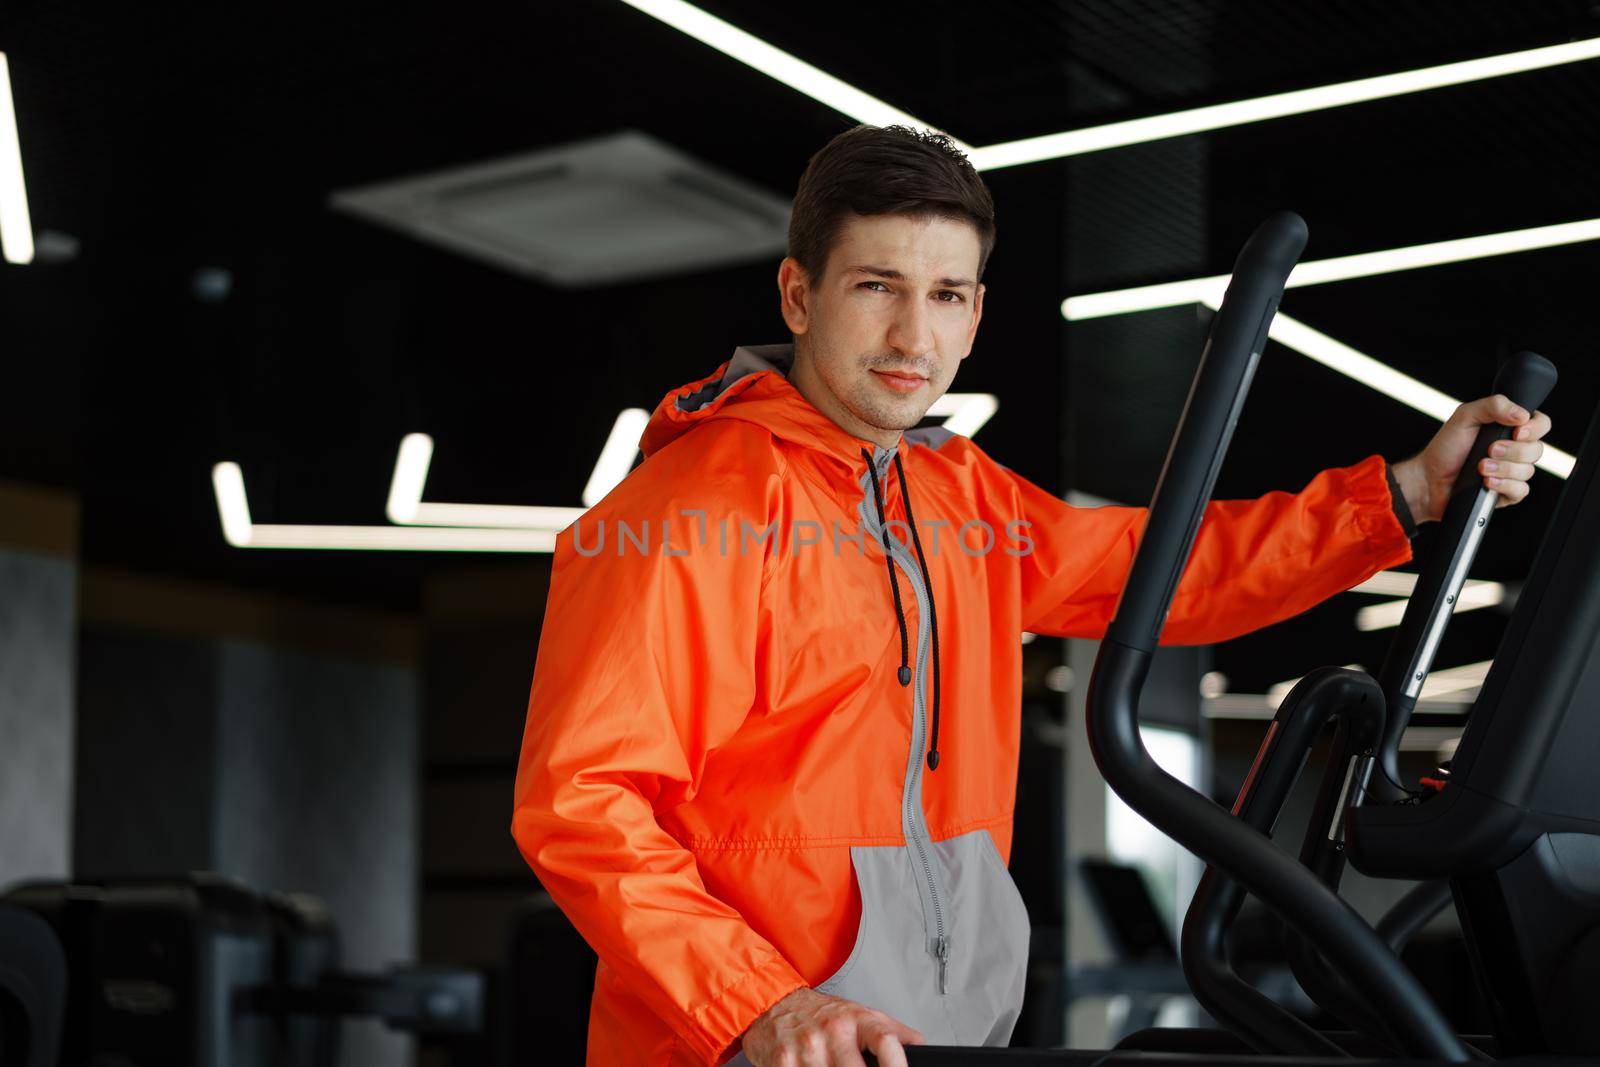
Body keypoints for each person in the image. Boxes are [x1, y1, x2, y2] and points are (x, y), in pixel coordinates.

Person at [509, 124, 1551, 1067]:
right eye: (877, 285)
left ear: (976, 311)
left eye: (947, 294)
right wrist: (760, 1003)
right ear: (798, 294)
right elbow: (583, 803)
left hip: (942, 1022)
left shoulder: (956, 492)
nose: (913, 336)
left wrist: (1404, 494)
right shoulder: (693, 507)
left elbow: (1162, 573)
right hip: (759, 1040)